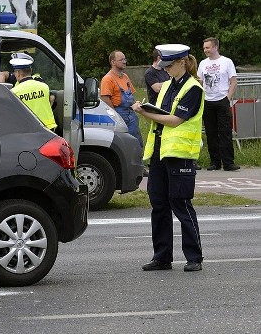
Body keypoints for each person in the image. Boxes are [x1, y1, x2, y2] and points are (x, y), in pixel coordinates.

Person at [132, 44, 204, 272]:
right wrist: (145, 112)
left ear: (182, 62)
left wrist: (145, 112)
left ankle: (194, 257)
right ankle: (162, 256)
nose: (166, 70)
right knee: (159, 205)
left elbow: (175, 120)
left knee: (181, 204)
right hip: (159, 153)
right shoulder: (166, 88)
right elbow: (158, 120)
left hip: (179, 155)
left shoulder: (193, 88)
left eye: (170, 65)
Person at [197, 37, 239, 171]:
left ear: (215, 47)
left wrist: (227, 98)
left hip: (222, 99)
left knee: (225, 131)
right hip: (208, 101)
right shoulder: (203, 63)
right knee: (211, 132)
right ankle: (215, 162)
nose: (205, 50)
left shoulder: (226, 62)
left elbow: (233, 81)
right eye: (204, 48)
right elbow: (200, 81)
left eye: (207, 47)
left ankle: (228, 162)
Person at [100, 50, 143, 147]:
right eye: (121, 60)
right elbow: (105, 99)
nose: (124, 61)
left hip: (131, 114)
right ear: (113, 62)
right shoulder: (108, 79)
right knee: (124, 145)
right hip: (119, 115)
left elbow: (131, 94)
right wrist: (116, 117)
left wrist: (136, 103)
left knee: (136, 143)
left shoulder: (125, 77)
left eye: (125, 59)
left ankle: (138, 161)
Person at [9, 53, 57, 131]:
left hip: (28, 131)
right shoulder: (44, 87)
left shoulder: (14, 92)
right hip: (48, 129)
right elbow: (50, 99)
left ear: (17, 73)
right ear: (30, 71)